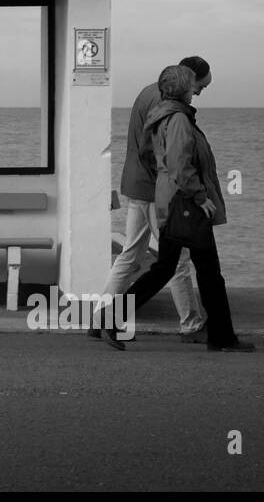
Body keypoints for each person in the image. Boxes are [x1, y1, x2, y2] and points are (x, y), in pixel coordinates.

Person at [100, 65, 254, 352]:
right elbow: (181, 165)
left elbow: (151, 153)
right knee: (208, 272)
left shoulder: (160, 115)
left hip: (168, 200)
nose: (196, 92)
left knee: (166, 268)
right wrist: (200, 197)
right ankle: (222, 337)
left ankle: (111, 317)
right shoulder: (179, 119)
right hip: (184, 204)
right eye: (194, 87)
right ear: (183, 89)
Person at [88, 56, 210, 342]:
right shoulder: (165, 103)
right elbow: (157, 151)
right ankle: (191, 325)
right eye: (199, 87)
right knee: (177, 258)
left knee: (130, 254)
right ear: (188, 78)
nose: (198, 93)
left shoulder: (148, 91)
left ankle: (99, 318)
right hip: (155, 189)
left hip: (136, 184)